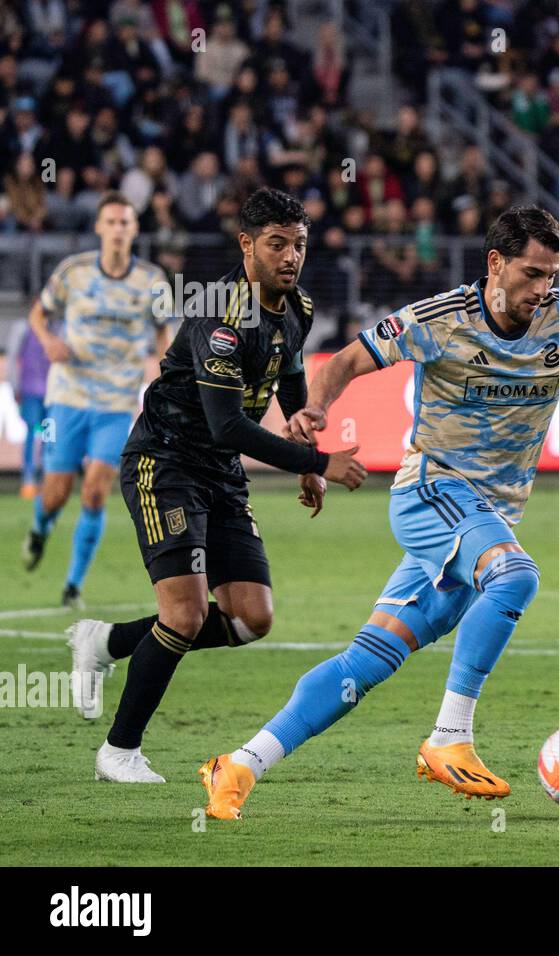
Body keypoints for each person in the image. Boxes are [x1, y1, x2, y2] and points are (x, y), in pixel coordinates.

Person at [196, 205, 559, 820]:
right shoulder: (440, 319)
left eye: (552, 274)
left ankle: (238, 765)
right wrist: (313, 411)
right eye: (531, 274)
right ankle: (450, 736)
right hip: (432, 490)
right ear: (495, 263)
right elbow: (345, 361)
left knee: (365, 662)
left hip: (486, 518)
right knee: (516, 576)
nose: (543, 288)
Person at [66, 188, 366, 782]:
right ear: (246, 244)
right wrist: (320, 458)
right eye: (277, 244)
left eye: (299, 244)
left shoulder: (297, 306)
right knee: (181, 614)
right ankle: (119, 751)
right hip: (165, 462)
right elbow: (228, 425)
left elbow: (290, 378)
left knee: (250, 619)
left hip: (219, 474)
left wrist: (304, 451)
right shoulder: (222, 316)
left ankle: (105, 643)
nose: (290, 256)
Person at [22, 193, 172, 608]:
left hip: (117, 403)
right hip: (67, 396)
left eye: (126, 222)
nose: (119, 229)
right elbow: (38, 313)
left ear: (135, 229)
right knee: (55, 492)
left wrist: (163, 374)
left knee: (94, 493)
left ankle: (73, 585)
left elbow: (163, 333)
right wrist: (50, 340)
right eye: (112, 221)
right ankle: (40, 528)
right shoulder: (74, 272)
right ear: (99, 227)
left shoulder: (152, 281)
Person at [6, 317, 50, 499]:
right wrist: (15, 385)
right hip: (30, 392)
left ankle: (48, 479)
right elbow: (12, 357)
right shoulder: (23, 328)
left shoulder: (56, 328)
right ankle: (29, 481)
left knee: (50, 438)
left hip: (51, 394)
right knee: (32, 435)